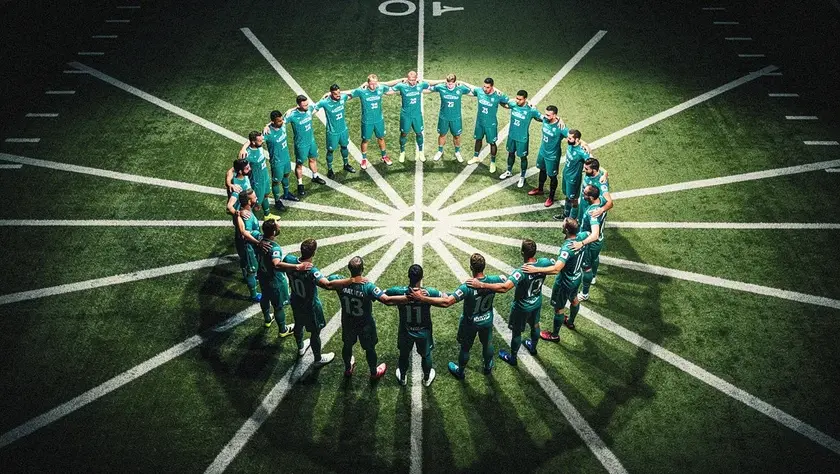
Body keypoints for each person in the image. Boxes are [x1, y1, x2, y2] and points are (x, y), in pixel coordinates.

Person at [411, 253, 502, 379]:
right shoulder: (494, 280)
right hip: (486, 320)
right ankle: (487, 367)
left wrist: (423, 298)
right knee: (487, 343)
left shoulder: (467, 287)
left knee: (465, 348)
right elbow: (504, 281)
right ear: (484, 266)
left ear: (471, 267)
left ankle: (460, 371)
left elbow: (447, 302)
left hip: (470, 323)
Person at [470, 240, 553, 366]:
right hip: (536, 301)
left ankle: (513, 358)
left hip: (522, 307)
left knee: (517, 333)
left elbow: (505, 287)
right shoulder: (544, 262)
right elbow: (556, 266)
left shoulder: (521, 272)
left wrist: (481, 284)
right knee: (535, 325)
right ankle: (533, 348)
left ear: (522, 252)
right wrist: (539, 269)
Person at [329, 256, 408, 380]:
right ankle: (373, 372)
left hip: (348, 322)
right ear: (362, 269)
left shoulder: (340, 282)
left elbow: (328, 282)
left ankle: (348, 369)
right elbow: (386, 300)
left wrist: (351, 280)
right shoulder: (368, 286)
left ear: (349, 269)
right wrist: (410, 297)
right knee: (370, 348)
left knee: (347, 345)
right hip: (365, 324)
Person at [282, 239, 353, 367]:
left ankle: (300, 347)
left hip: (296, 301)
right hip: (310, 307)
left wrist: (296, 267)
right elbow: (328, 285)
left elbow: (278, 265)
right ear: (314, 253)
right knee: (315, 333)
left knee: (298, 324)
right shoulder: (311, 270)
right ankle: (318, 359)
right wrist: (351, 280)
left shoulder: (289, 260)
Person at [522, 218, 589, 341]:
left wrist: (536, 269)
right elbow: (592, 234)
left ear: (567, 230)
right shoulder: (582, 237)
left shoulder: (567, 248)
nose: (561, 226)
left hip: (566, 282)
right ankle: (570, 322)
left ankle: (554, 335)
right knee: (574, 299)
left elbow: (556, 269)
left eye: (563, 225)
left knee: (559, 309)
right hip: (577, 277)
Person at [386, 264, 440, 387]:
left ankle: (403, 377)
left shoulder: (398, 291)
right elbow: (446, 298)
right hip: (423, 331)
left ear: (408, 276)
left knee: (404, 354)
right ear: (422, 277)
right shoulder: (429, 292)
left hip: (406, 330)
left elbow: (382, 295)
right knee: (426, 355)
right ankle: (426, 379)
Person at [257, 219, 314, 336]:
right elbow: (276, 264)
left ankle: (267, 319)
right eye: (278, 226)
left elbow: (246, 234)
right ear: (273, 232)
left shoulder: (259, 239)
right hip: (274, 280)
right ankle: (283, 330)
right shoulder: (274, 248)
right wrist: (297, 266)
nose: (280, 227)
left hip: (262, 276)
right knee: (278, 307)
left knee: (264, 297)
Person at [389, 71, 445, 163]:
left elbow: (431, 84)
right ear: (407, 79)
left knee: (419, 133)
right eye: (410, 80)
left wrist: (444, 81)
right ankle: (402, 152)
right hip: (405, 116)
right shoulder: (401, 86)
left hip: (417, 115)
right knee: (404, 134)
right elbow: (387, 91)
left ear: (416, 78)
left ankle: (421, 151)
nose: (412, 82)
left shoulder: (420, 85)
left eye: (413, 80)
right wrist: (374, 84)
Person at [229, 131, 279, 220]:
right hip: (256, 183)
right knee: (256, 204)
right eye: (260, 141)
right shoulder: (247, 155)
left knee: (266, 195)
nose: (262, 141)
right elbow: (233, 169)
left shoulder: (258, 146)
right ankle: (251, 220)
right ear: (253, 142)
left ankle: (267, 214)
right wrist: (230, 184)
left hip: (265, 177)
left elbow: (251, 140)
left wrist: (267, 126)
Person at [498, 90, 542, 188]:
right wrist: (499, 98)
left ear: (525, 99)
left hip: (522, 138)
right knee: (510, 153)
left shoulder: (531, 110)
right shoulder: (513, 104)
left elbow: (541, 118)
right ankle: (509, 171)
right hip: (511, 135)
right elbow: (504, 104)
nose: (517, 101)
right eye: (517, 98)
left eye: (520, 99)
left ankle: (522, 176)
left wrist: (558, 120)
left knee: (523, 157)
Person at [351, 74, 396, 168]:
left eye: (375, 83)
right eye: (371, 84)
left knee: (381, 138)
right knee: (365, 140)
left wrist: (403, 81)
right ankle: (364, 159)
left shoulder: (380, 88)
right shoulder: (361, 91)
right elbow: (350, 93)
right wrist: (333, 93)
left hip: (379, 120)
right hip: (367, 121)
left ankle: (384, 156)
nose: (373, 86)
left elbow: (391, 86)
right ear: (367, 83)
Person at [465, 77, 510, 174]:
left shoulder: (498, 95)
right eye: (484, 86)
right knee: (478, 139)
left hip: (491, 124)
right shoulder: (480, 91)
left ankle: (493, 162)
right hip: (480, 122)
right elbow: (469, 88)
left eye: (488, 87)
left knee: (492, 143)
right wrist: (460, 82)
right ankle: (475, 157)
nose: (485, 89)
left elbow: (509, 102)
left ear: (492, 86)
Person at [285, 95, 326, 197]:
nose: (307, 106)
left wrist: (326, 95)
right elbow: (279, 122)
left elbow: (318, 104)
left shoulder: (309, 109)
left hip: (311, 141)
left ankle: (315, 176)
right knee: (299, 164)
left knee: (313, 159)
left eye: (307, 104)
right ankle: (300, 184)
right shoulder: (292, 115)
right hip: (301, 145)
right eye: (304, 105)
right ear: (299, 105)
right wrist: (268, 126)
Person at [312, 85, 356, 178]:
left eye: (339, 93)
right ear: (331, 93)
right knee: (330, 151)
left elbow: (353, 93)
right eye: (335, 94)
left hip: (343, 130)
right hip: (332, 132)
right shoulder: (325, 102)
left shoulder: (342, 97)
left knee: (344, 147)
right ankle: (330, 170)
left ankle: (346, 164)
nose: (338, 95)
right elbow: (314, 109)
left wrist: (341, 92)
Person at [573, 185, 608, 301]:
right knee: (595, 258)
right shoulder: (602, 201)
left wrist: (582, 243)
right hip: (599, 241)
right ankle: (593, 277)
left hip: (591, 243)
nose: (583, 196)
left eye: (585, 194)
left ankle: (584, 293)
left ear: (592, 197)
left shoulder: (592, 213)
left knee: (586, 267)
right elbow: (610, 202)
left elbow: (595, 234)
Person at [528, 105, 566, 207]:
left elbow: (572, 137)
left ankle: (551, 197)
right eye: (546, 114)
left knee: (552, 176)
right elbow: (536, 114)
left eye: (548, 115)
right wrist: (530, 104)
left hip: (552, 156)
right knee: (542, 170)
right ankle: (540, 189)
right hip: (542, 152)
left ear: (555, 115)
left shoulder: (561, 127)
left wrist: (583, 144)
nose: (546, 116)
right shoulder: (545, 119)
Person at [431, 74, 472, 162]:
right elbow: (428, 87)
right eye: (448, 83)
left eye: (451, 83)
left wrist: (463, 83)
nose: (449, 85)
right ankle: (440, 151)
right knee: (442, 134)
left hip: (456, 118)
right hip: (443, 117)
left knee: (457, 136)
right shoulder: (441, 87)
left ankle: (457, 152)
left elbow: (473, 91)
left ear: (455, 82)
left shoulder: (461, 88)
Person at [232, 189, 262, 303]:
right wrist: (258, 242)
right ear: (249, 201)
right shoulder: (247, 216)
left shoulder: (243, 209)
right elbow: (245, 234)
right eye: (254, 197)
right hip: (248, 247)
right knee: (251, 270)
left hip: (242, 245)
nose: (256, 198)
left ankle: (246, 278)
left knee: (245, 263)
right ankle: (254, 295)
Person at [554, 129, 591, 220]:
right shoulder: (571, 144)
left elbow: (591, 162)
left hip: (573, 179)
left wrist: (604, 174)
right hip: (566, 175)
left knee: (574, 199)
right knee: (567, 196)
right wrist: (584, 143)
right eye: (568, 137)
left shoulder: (582, 152)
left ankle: (572, 219)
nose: (567, 139)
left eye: (570, 138)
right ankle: (566, 214)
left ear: (576, 139)